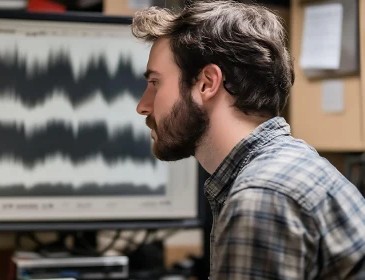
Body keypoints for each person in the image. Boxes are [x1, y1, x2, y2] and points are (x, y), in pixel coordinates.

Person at [131, 1, 365, 279]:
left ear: (207, 83)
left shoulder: (262, 196)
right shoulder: (290, 164)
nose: (143, 106)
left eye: (155, 83)